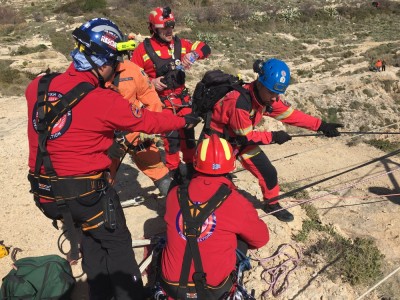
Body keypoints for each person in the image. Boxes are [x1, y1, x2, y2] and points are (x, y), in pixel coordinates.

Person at [26, 17, 199, 300]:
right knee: (117, 244)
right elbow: (149, 121)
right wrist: (182, 121)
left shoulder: (37, 87)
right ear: (102, 62)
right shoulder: (104, 101)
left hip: (45, 193)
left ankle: (100, 293)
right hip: (86, 195)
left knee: (93, 241)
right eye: (113, 62)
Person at [207, 58, 343, 222]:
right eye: (271, 92)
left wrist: (320, 125)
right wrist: (274, 136)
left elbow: (290, 115)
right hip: (218, 142)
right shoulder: (240, 102)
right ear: (260, 83)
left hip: (238, 140)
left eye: (277, 93)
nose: (274, 98)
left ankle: (272, 204)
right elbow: (246, 137)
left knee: (269, 172)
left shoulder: (264, 98)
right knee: (214, 182)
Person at [160, 134, 269, 299]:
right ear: (231, 165)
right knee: (242, 238)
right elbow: (261, 239)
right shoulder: (236, 201)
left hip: (170, 286)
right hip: (214, 290)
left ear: (196, 163)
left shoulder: (175, 194)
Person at [131, 6, 211, 183]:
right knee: (171, 141)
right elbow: (132, 77)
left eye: (171, 27)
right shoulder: (142, 50)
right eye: (164, 28)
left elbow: (205, 47)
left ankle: (191, 169)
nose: (169, 31)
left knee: (189, 138)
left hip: (183, 101)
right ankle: (174, 174)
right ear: (153, 28)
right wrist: (150, 82)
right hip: (162, 104)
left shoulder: (181, 45)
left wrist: (194, 54)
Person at [106, 59, 172, 196]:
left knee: (159, 172)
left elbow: (151, 100)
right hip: (104, 136)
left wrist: (152, 129)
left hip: (134, 133)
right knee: (103, 178)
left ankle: (176, 207)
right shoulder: (89, 71)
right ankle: (101, 207)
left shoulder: (132, 70)